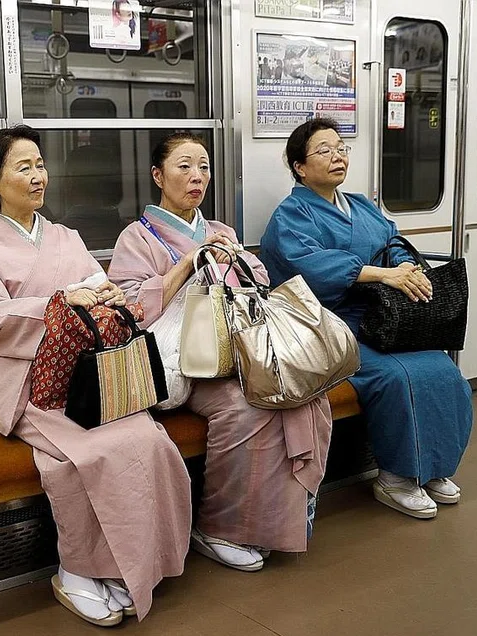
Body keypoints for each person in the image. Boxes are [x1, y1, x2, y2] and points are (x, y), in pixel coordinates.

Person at [0, 126, 191, 626]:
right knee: (90, 451)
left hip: (80, 375)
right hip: (18, 380)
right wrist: (56, 305)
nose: (38, 177)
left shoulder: (65, 238)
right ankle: (77, 571)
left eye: (40, 165)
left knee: (145, 436)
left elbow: (99, 291)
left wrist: (108, 298)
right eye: (24, 167)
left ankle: (123, 566)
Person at [108, 132, 332, 572]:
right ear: (158, 175)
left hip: (239, 352)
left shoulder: (221, 231)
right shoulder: (137, 237)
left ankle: (276, 523)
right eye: (184, 166)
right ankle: (220, 527)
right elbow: (130, 310)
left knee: (301, 393)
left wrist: (239, 262)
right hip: (188, 364)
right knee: (247, 407)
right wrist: (189, 263)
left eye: (204, 167)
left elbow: (261, 287)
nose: (197, 177)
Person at [259, 117, 473, 519]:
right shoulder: (290, 216)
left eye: (341, 147)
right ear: (300, 167)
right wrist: (380, 274)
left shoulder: (360, 204)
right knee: (397, 376)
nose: (337, 155)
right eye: (324, 150)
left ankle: (434, 469)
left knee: (442, 369)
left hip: (383, 317)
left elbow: (392, 241)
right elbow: (309, 265)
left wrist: (406, 268)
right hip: (330, 324)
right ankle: (394, 477)